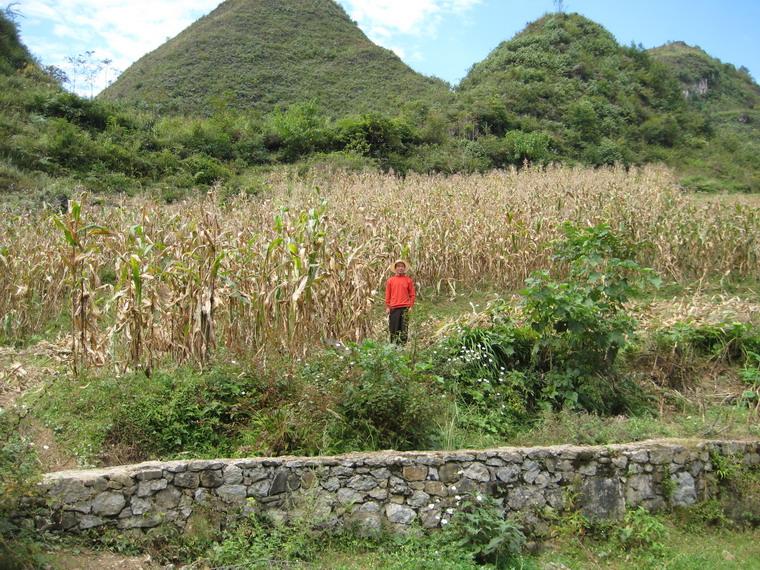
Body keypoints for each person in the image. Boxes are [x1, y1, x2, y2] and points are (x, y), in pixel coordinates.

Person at [385, 260, 416, 344]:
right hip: (394, 308)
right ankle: (393, 346)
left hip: (405, 308)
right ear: (395, 268)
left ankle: (402, 347)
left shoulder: (408, 280)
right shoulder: (390, 281)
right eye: (398, 266)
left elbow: (412, 294)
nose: (400, 268)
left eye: (402, 266)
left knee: (404, 328)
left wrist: (411, 306)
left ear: (404, 268)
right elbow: (388, 295)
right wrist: (388, 306)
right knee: (393, 328)